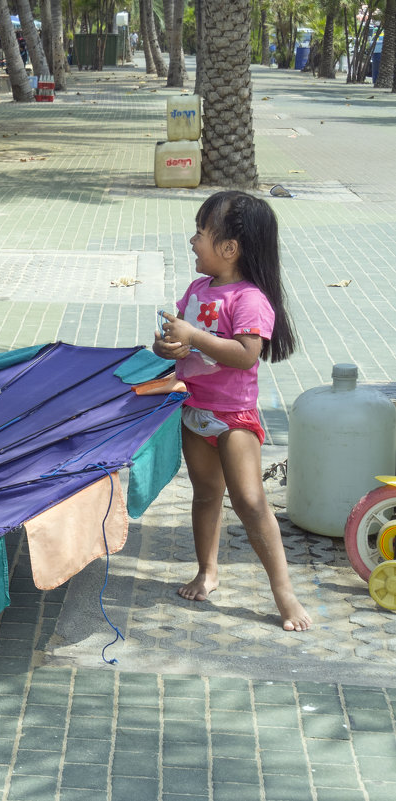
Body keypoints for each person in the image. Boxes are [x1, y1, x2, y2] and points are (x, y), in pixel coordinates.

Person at [153, 190, 311, 632]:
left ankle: (283, 591)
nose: (192, 241)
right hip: (193, 410)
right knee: (205, 495)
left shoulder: (250, 298)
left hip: (233, 418)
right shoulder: (197, 289)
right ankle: (207, 570)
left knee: (249, 500)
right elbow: (180, 342)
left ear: (229, 248)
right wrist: (167, 344)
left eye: (200, 233)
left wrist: (194, 337)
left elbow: (244, 355)